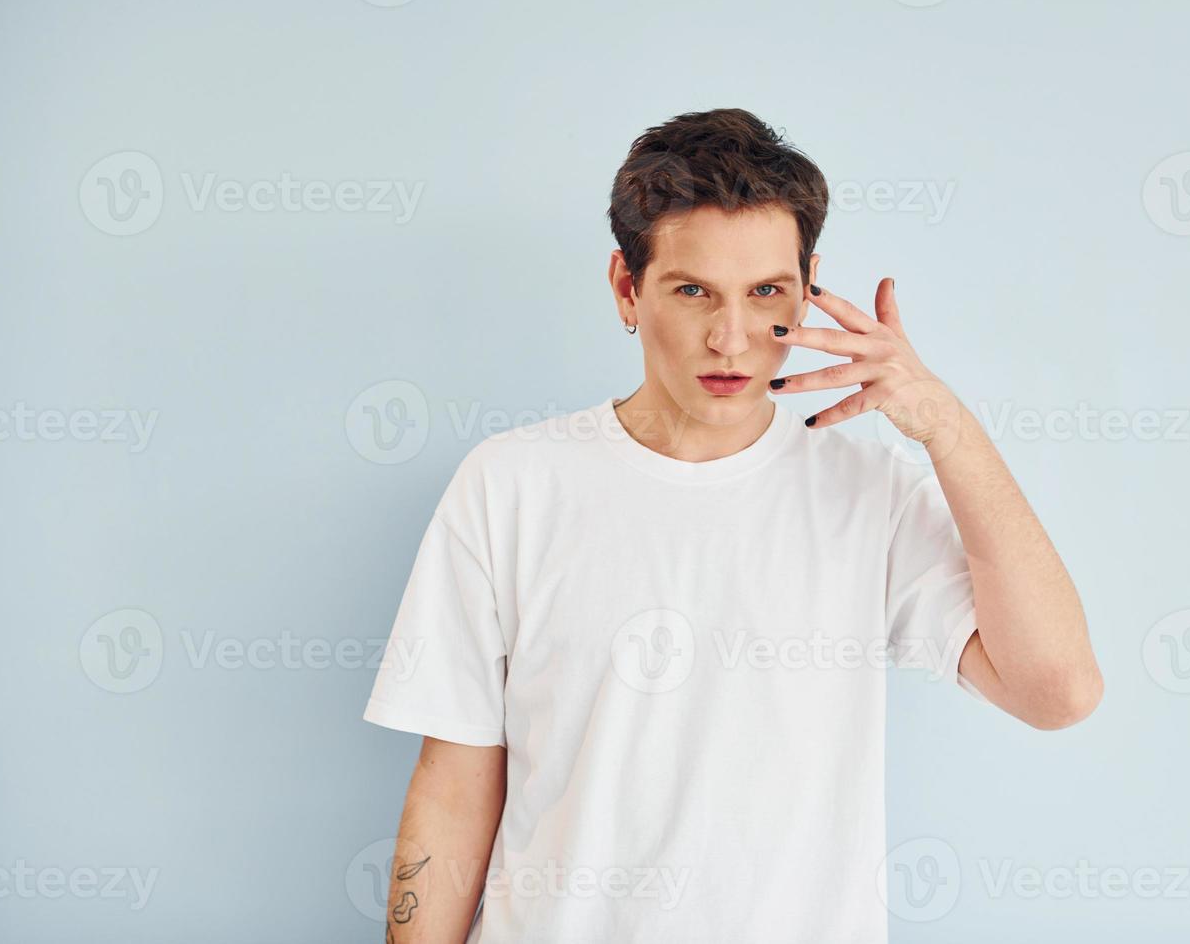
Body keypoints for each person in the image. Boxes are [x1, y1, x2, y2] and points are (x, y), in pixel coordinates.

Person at [362, 107, 1102, 943]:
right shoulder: (511, 486)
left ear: (808, 283)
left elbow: (1059, 692)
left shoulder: (871, 496)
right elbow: (454, 787)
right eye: (692, 292)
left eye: (766, 295)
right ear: (625, 288)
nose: (732, 338)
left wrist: (945, 426)